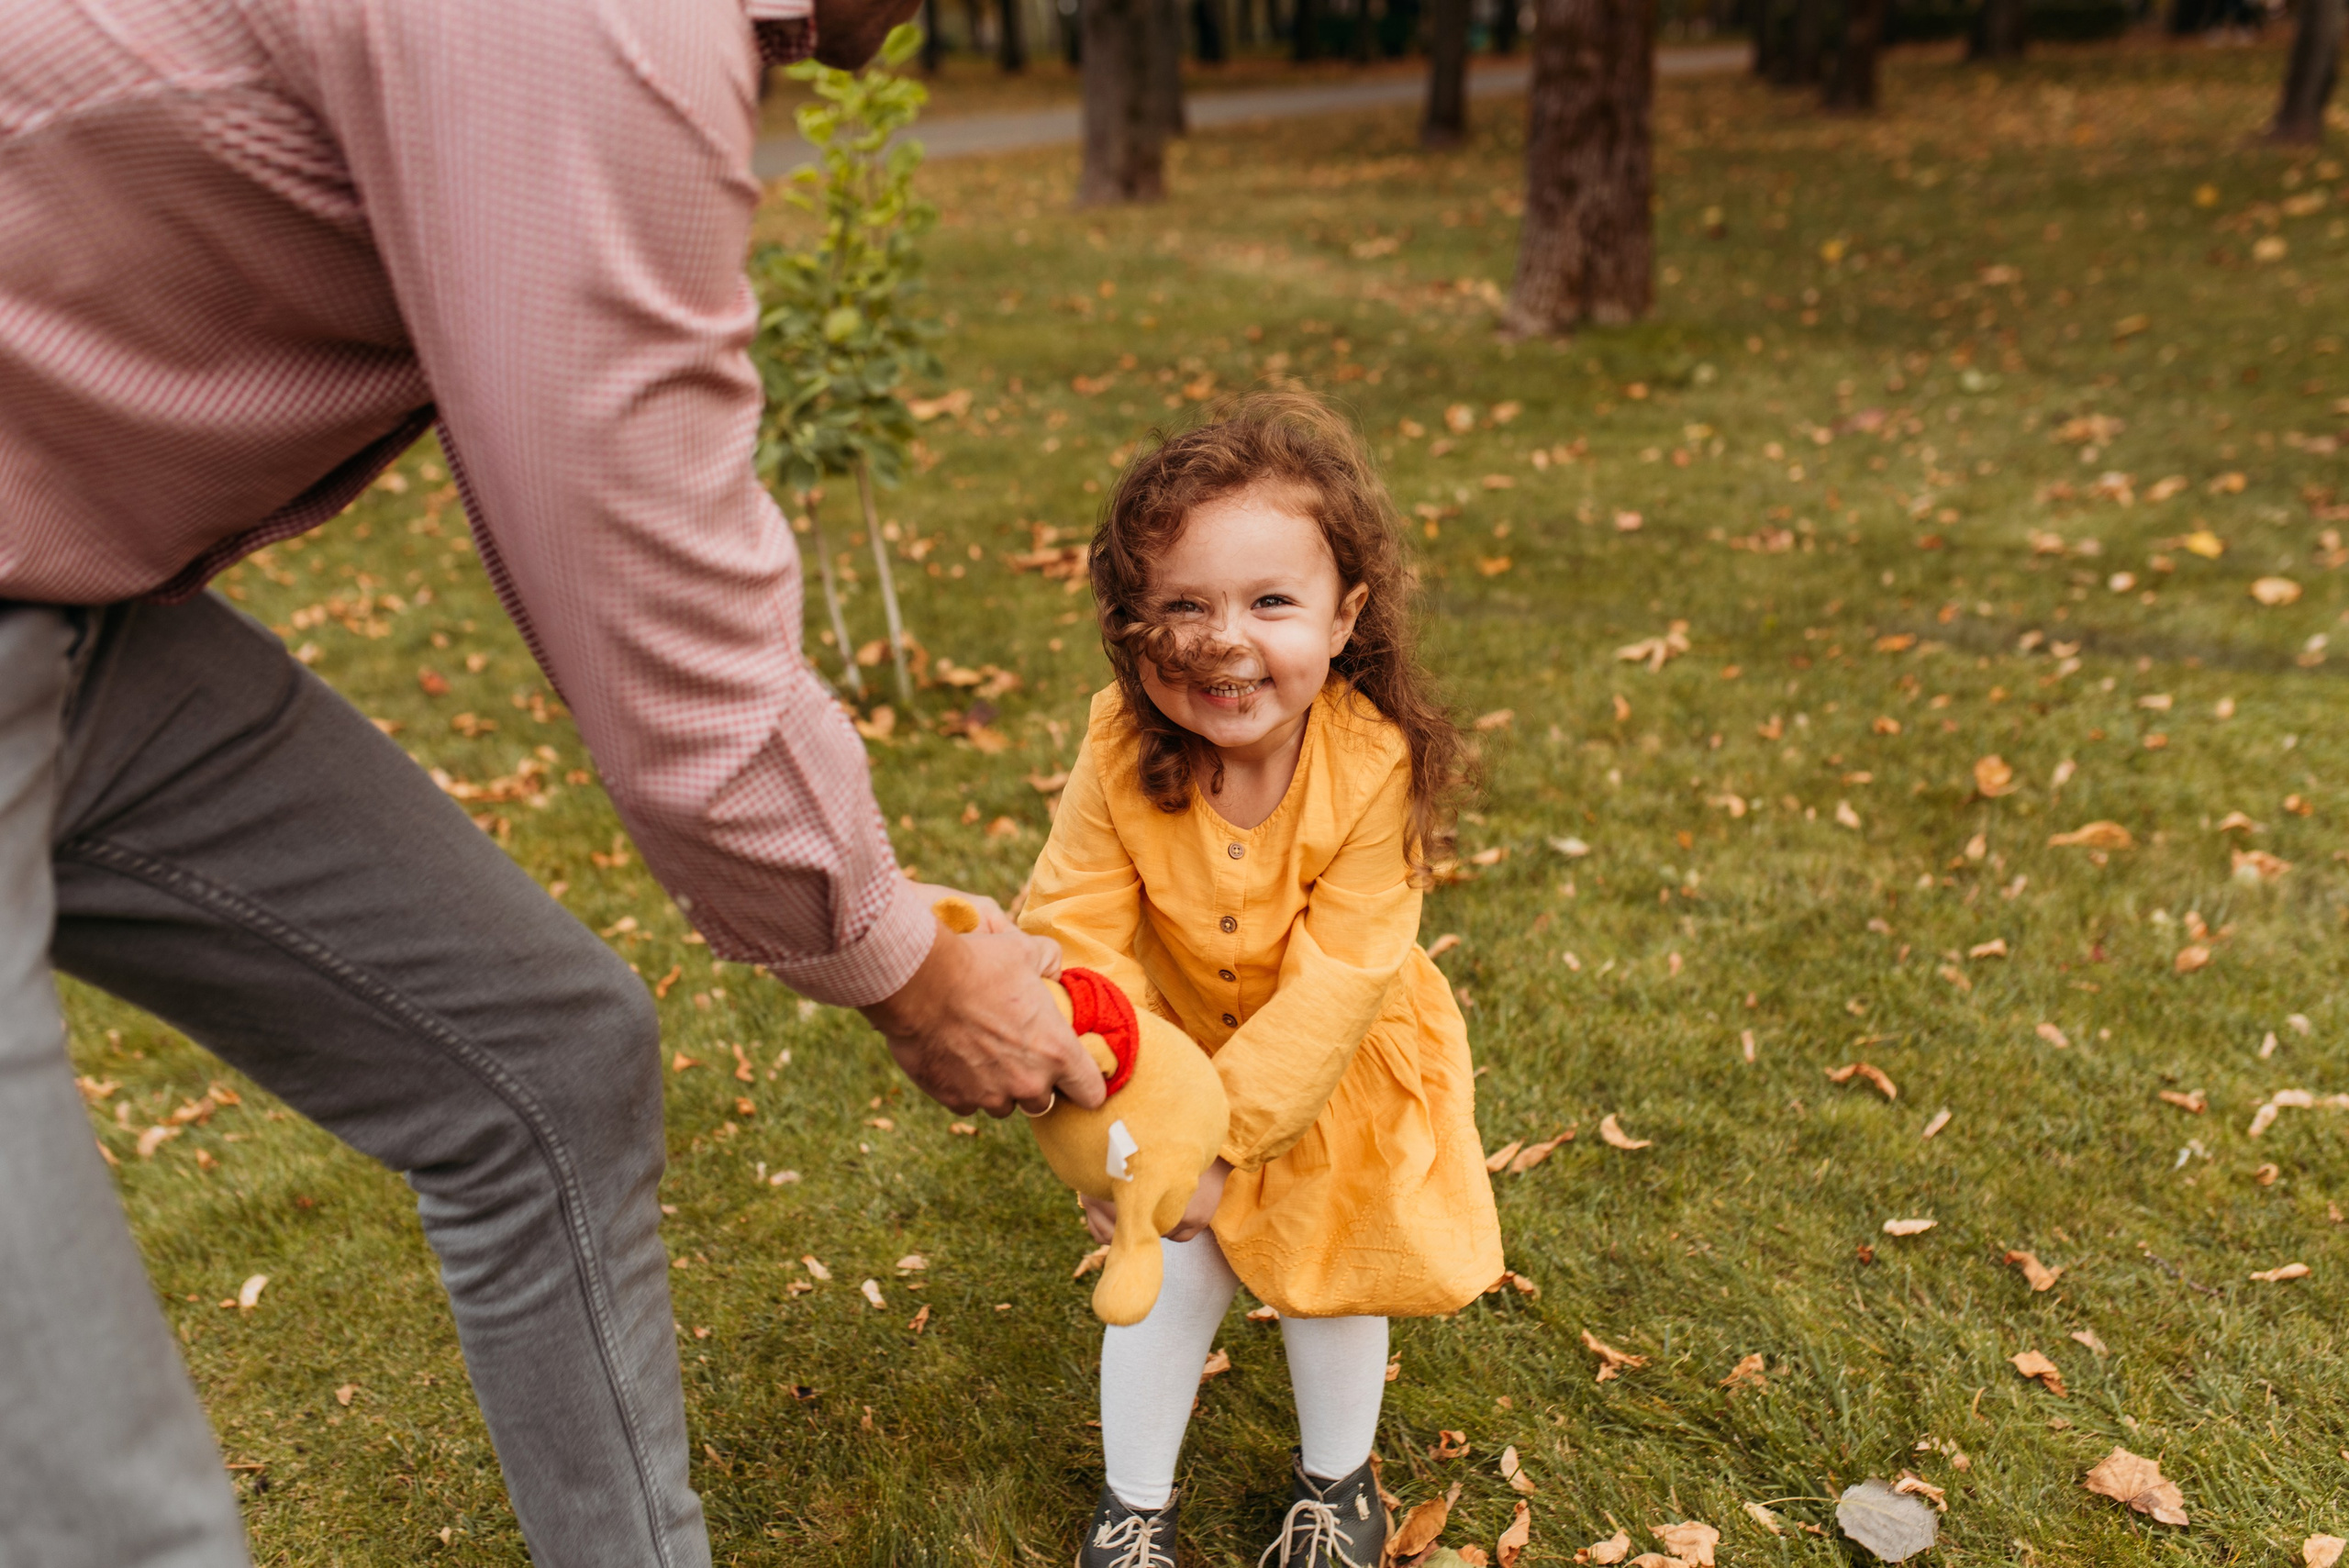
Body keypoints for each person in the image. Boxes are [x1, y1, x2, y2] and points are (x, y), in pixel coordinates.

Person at [0, 2, 1105, 1566]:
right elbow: (653, 604)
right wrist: (916, 974)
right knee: (116, 1528)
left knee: (548, 1062)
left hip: (77, 622)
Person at [1018, 395, 1506, 1568]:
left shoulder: (1371, 764)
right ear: (1134, 626)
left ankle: (1336, 1486)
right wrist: (1117, 1114)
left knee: (1333, 1279)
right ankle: (1134, 1508)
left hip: (1333, 1072)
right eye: (1183, 603)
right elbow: (1074, 924)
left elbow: (1342, 976)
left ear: (1344, 619)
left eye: (1269, 602)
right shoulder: (1114, 747)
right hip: (1174, 1060)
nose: (1222, 640)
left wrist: (1219, 1149)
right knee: (1170, 1274)